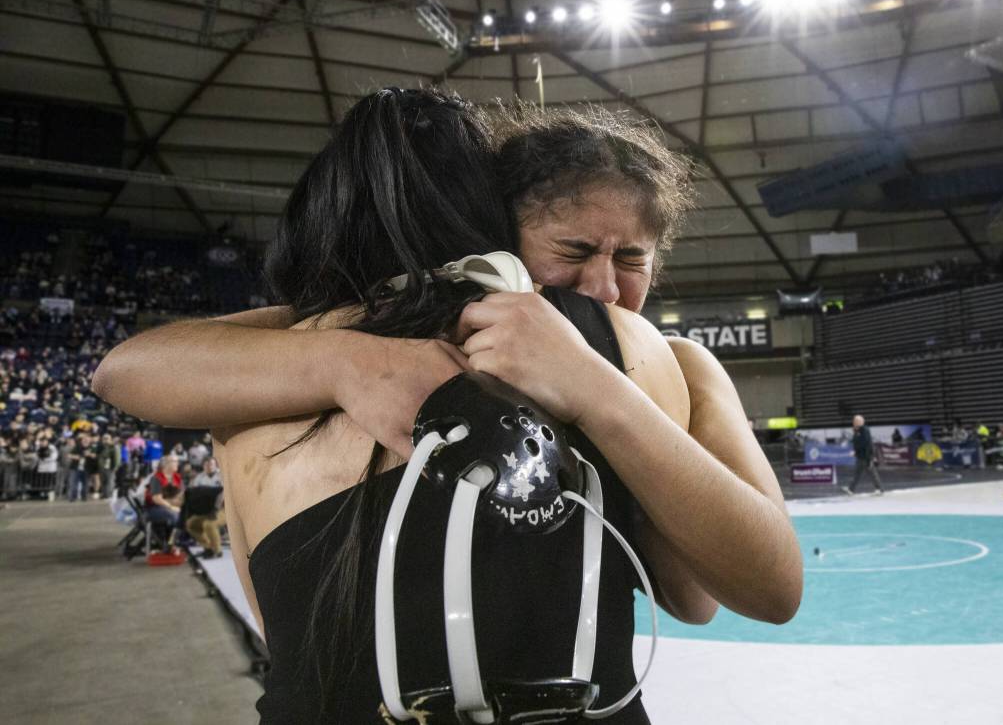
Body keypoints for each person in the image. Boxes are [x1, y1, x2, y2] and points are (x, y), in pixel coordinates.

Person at [94, 90, 802, 721]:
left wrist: (595, 388)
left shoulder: (659, 361)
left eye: (633, 260)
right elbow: (125, 367)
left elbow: (706, 591)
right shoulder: (311, 345)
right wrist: (346, 360)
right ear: (499, 244)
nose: (604, 290)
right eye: (574, 250)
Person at [843, 415, 884, 495]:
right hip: (860, 456)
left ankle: (880, 489)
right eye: (854, 421)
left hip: (866, 456)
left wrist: (869, 457)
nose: (853, 422)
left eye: (855, 421)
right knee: (857, 473)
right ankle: (851, 489)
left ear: (860, 422)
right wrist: (855, 432)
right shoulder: (858, 430)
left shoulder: (865, 430)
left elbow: (865, 444)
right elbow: (856, 441)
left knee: (872, 473)